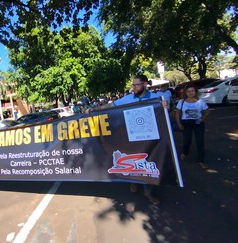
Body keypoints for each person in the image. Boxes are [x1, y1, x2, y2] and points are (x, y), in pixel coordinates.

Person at [88, 74, 168, 205]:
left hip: (152, 139)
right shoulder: (128, 98)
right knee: (132, 160)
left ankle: (148, 191)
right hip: (132, 139)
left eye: (136, 85)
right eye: (133, 85)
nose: (134, 88)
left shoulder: (156, 98)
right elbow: (111, 106)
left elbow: (165, 112)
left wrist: (165, 106)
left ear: (145, 84)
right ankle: (134, 181)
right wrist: (94, 110)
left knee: (150, 162)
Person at [175, 85, 210, 169]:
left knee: (200, 142)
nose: (191, 93)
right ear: (185, 93)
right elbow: (177, 113)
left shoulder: (200, 102)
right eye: (189, 91)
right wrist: (179, 124)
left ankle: (201, 161)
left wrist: (202, 119)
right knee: (187, 141)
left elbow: (207, 112)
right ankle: (185, 153)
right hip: (186, 123)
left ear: (195, 92)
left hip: (198, 123)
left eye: (193, 91)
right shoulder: (182, 102)